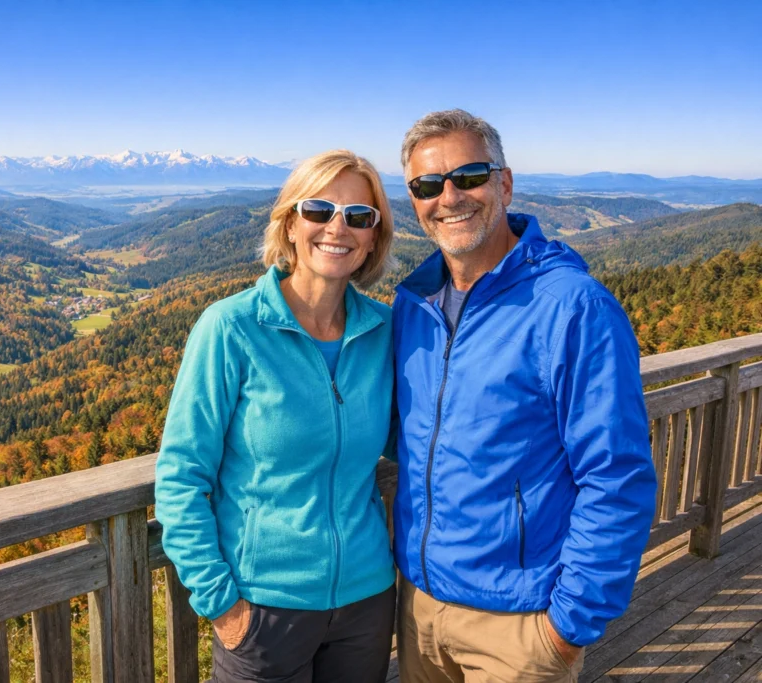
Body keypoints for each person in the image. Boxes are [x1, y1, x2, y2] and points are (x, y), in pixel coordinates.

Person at [390, 109, 656, 682]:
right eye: (428, 185)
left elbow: (617, 476)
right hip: (418, 607)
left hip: (519, 623)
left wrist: (567, 626)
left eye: (469, 176)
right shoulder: (413, 306)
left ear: (504, 184)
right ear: (413, 201)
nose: (449, 197)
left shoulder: (573, 308)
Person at [155, 149, 398, 683]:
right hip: (264, 609)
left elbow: (420, 439)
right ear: (290, 223)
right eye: (319, 210)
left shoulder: (385, 332)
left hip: (367, 602)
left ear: (373, 237)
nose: (338, 227)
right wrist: (221, 605)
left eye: (359, 216)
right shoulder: (231, 328)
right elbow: (180, 477)